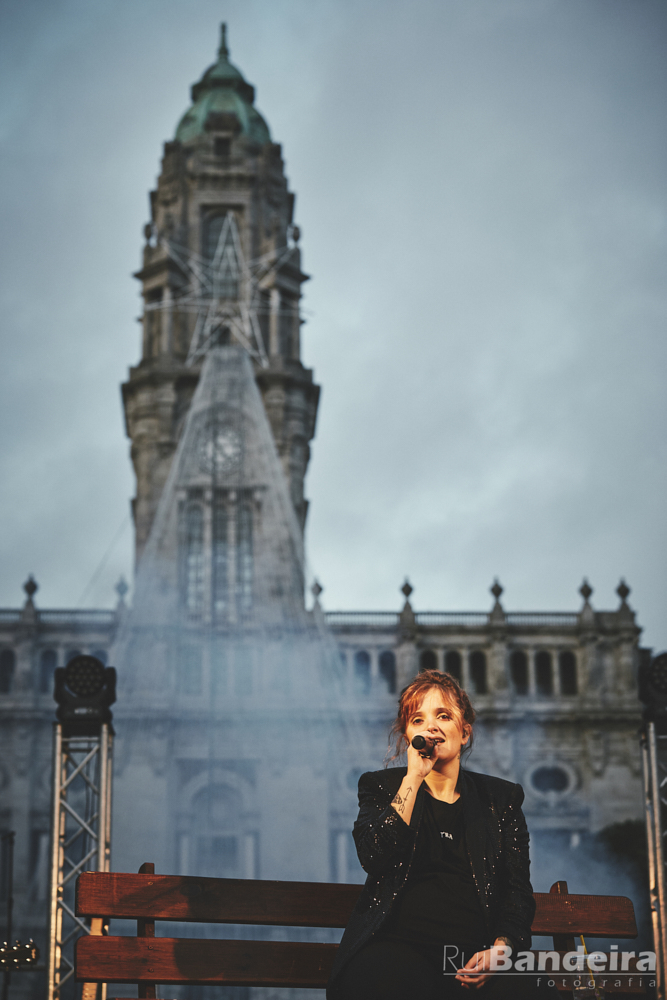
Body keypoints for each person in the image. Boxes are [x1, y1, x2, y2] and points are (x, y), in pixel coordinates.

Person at [327, 670, 559, 999]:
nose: (431, 727)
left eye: (444, 715)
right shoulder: (381, 787)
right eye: (417, 719)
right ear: (409, 735)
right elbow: (373, 855)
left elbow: (517, 890)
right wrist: (413, 778)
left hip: (476, 954)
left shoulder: (501, 799)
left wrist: (502, 949)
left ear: (464, 733)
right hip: (397, 949)